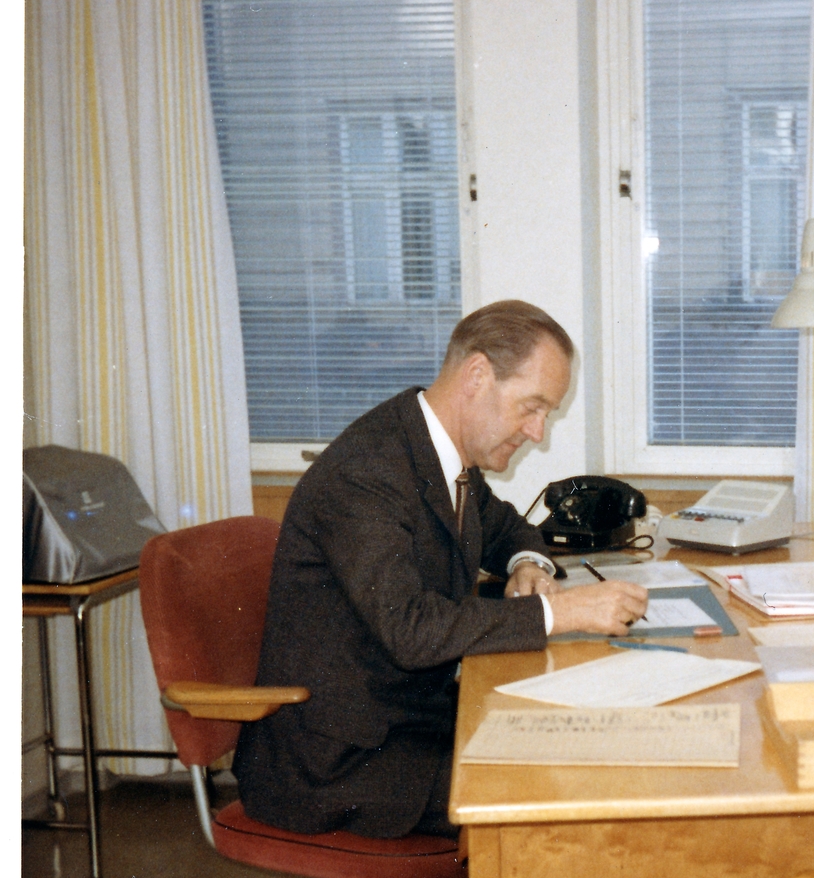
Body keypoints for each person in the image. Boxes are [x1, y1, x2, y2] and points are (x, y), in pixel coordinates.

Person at [232, 300, 648, 840]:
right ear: (477, 376)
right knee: (559, 791)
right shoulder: (367, 472)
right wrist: (559, 612)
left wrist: (526, 562)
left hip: (409, 718)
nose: (538, 432)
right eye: (532, 407)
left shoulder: (438, 454)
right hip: (339, 761)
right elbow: (412, 630)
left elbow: (505, 527)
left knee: (578, 737)